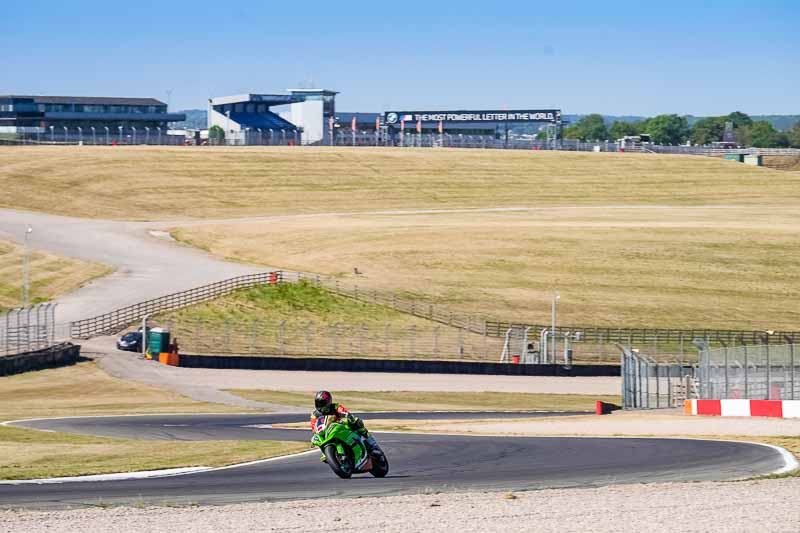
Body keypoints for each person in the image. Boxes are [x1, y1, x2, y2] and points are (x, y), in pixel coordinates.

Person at [311, 390, 381, 454]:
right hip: (327, 433)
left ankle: (372, 443)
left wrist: (347, 419)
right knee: (317, 438)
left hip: (341, 427)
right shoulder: (314, 415)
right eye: (318, 403)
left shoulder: (335, 407)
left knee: (357, 422)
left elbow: (346, 414)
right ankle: (326, 453)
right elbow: (314, 428)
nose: (320, 406)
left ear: (328, 402)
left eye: (322, 403)